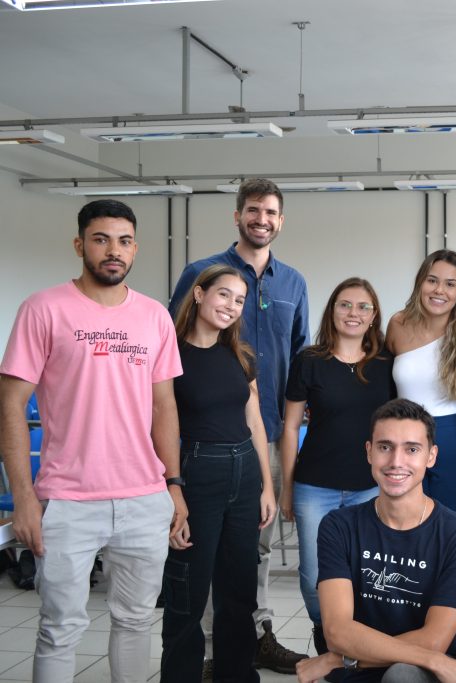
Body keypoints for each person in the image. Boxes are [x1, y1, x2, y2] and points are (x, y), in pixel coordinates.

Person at [0, 199, 185, 682]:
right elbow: (11, 405)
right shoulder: (43, 309)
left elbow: (164, 407)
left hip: (144, 497)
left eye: (124, 241)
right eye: (101, 240)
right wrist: (23, 497)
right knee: (59, 628)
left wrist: (173, 485)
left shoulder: (154, 317)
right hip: (68, 500)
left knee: (136, 621)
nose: (113, 251)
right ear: (80, 245)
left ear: (135, 249)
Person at [169, 177, 310, 673]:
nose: (261, 219)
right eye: (253, 210)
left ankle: (256, 635)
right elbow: (171, 346)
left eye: (270, 212)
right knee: (202, 553)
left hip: (265, 431)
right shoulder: (201, 272)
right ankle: (210, 648)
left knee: (253, 548)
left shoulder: (293, 283)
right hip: (201, 437)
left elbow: (299, 353)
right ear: (237, 216)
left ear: (281, 220)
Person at [295, 398, 456, 683]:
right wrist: (431, 656)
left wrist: (339, 659)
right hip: (370, 674)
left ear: (431, 456)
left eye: (412, 449)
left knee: (401, 675)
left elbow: (434, 641)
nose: (396, 461)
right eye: (385, 447)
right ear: (369, 452)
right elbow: (336, 632)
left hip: (423, 674)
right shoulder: (339, 526)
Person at [160, 264, 278, 682]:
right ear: (199, 294)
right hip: (197, 473)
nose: (231, 305)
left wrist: (266, 486)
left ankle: (236, 675)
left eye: (239, 300)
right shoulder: (171, 354)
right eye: (224, 294)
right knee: (188, 594)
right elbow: (158, 426)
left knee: (239, 592)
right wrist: (173, 491)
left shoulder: (239, 354)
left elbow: (255, 421)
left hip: (244, 473)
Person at [280, 277, 395, 655]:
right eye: (345, 304)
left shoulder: (385, 364)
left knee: (365, 575)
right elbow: (291, 427)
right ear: (332, 311)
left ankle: (357, 649)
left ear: (374, 315)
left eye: (363, 306)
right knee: (314, 576)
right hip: (315, 487)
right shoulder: (310, 361)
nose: (353, 313)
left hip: (369, 487)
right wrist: (286, 488)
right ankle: (327, 636)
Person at [387, 250, 456, 523]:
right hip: (404, 435)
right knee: (405, 522)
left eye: (450, 284)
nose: (439, 290)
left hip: (454, 438)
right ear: (420, 283)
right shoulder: (398, 324)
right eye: (432, 280)